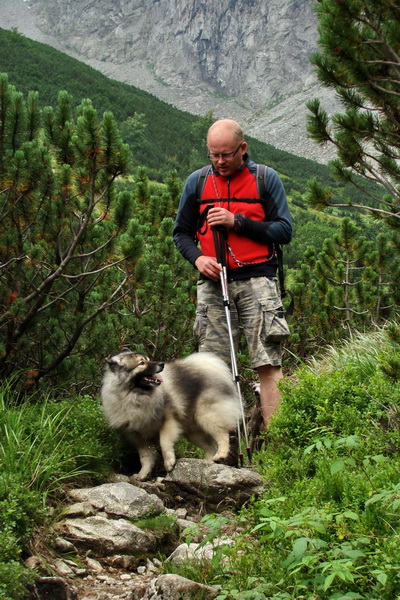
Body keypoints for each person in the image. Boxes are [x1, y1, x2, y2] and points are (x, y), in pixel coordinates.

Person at [173, 118, 292, 457]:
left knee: (267, 363)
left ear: (243, 148)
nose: (220, 161)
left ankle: (276, 448)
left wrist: (236, 222)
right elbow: (180, 233)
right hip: (213, 282)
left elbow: (284, 230)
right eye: (214, 155)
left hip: (258, 279)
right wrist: (197, 259)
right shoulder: (197, 182)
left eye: (226, 154)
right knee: (211, 369)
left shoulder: (266, 179)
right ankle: (223, 451)